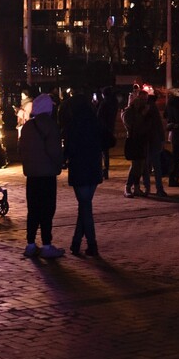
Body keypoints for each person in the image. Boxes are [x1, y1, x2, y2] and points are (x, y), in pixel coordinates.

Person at [19, 93, 65, 258]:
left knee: (33, 210)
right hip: (47, 174)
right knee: (47, 210)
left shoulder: (27, 127)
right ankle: (46, 245)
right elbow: (55, 151)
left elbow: (21, 150)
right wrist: (59, 164)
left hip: (31, 175)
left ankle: (30, 244)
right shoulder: (51, 126)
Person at [63, 87, 103, 256]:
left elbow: (68, 149)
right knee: (85, 206)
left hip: (79, 169)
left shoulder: (72, 125)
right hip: (93, 168)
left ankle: (92, 244)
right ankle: (76, 242)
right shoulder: (95, 122)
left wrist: (64, 159)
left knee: (85, 206)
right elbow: (110, 139)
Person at [121, 90, 148, 198]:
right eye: (138, 100)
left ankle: (136, 187)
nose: (140, 102)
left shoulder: (140, 110)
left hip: (141, 139)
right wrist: (141, 115)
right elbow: (133, 126)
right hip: (133, 140)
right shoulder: (128, 112)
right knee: (135, 165)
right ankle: (128, 187)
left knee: (140, 165)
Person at [96, 87, 119, 180]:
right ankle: (106, 170)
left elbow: (98, 116)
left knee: (102, 151)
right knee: (106, 151)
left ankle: (103, 171)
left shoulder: (104, 103)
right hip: (110, 128)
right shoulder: (114, 103)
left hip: (102, 129)